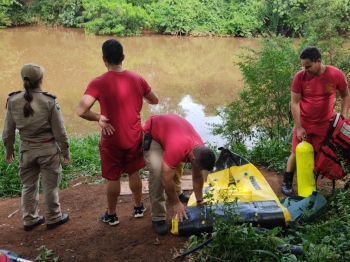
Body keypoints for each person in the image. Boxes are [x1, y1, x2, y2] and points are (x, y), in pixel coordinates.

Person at [76, 39, 159, 226]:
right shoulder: (138, 79)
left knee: (113, 177)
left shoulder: (97, 83)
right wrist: (139, 95)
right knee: (134, 172)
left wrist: (98, 117)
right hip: (133, 136)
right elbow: (154, 100)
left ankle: (112, 215)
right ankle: (138, 207)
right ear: (123, 57)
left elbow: (81, 111)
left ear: (104, 59)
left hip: (111, 137)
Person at [2, 63, 71, 231]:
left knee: (28, 186)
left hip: (26, 150)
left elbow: (8, 131)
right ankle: (53, 217)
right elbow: (60, 131)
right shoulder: (49, 101)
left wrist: (9, 149)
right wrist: (65, 150)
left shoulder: (13, 100)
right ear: (41, 80)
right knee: (50, 186)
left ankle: (30, 219)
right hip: (48, 150)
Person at [282, 46, 349, 196]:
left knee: (319, 154)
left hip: (325, 124)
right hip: (304, 122)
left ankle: (310, 183)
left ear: (318, 61)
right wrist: (299, 127)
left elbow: (345, 95)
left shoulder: (335, 74)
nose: (305, 70)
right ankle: (287, 180)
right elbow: (294, 103)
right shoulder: (300, 77)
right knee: (295, 152)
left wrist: (343, 116)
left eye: (308, 66)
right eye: (303, 66)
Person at [143, 113, 216, 235]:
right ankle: (158, 217)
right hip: (153, 134)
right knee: (158, 173)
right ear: (193, 160)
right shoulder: (177, 147)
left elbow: (198, 176)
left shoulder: (200, 150)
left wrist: (200, 201)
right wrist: (176, 204)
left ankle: (177, 192)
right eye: (199, 167)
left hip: (172, 134)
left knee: (176, 163)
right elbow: (166, 179)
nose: (199, 169)